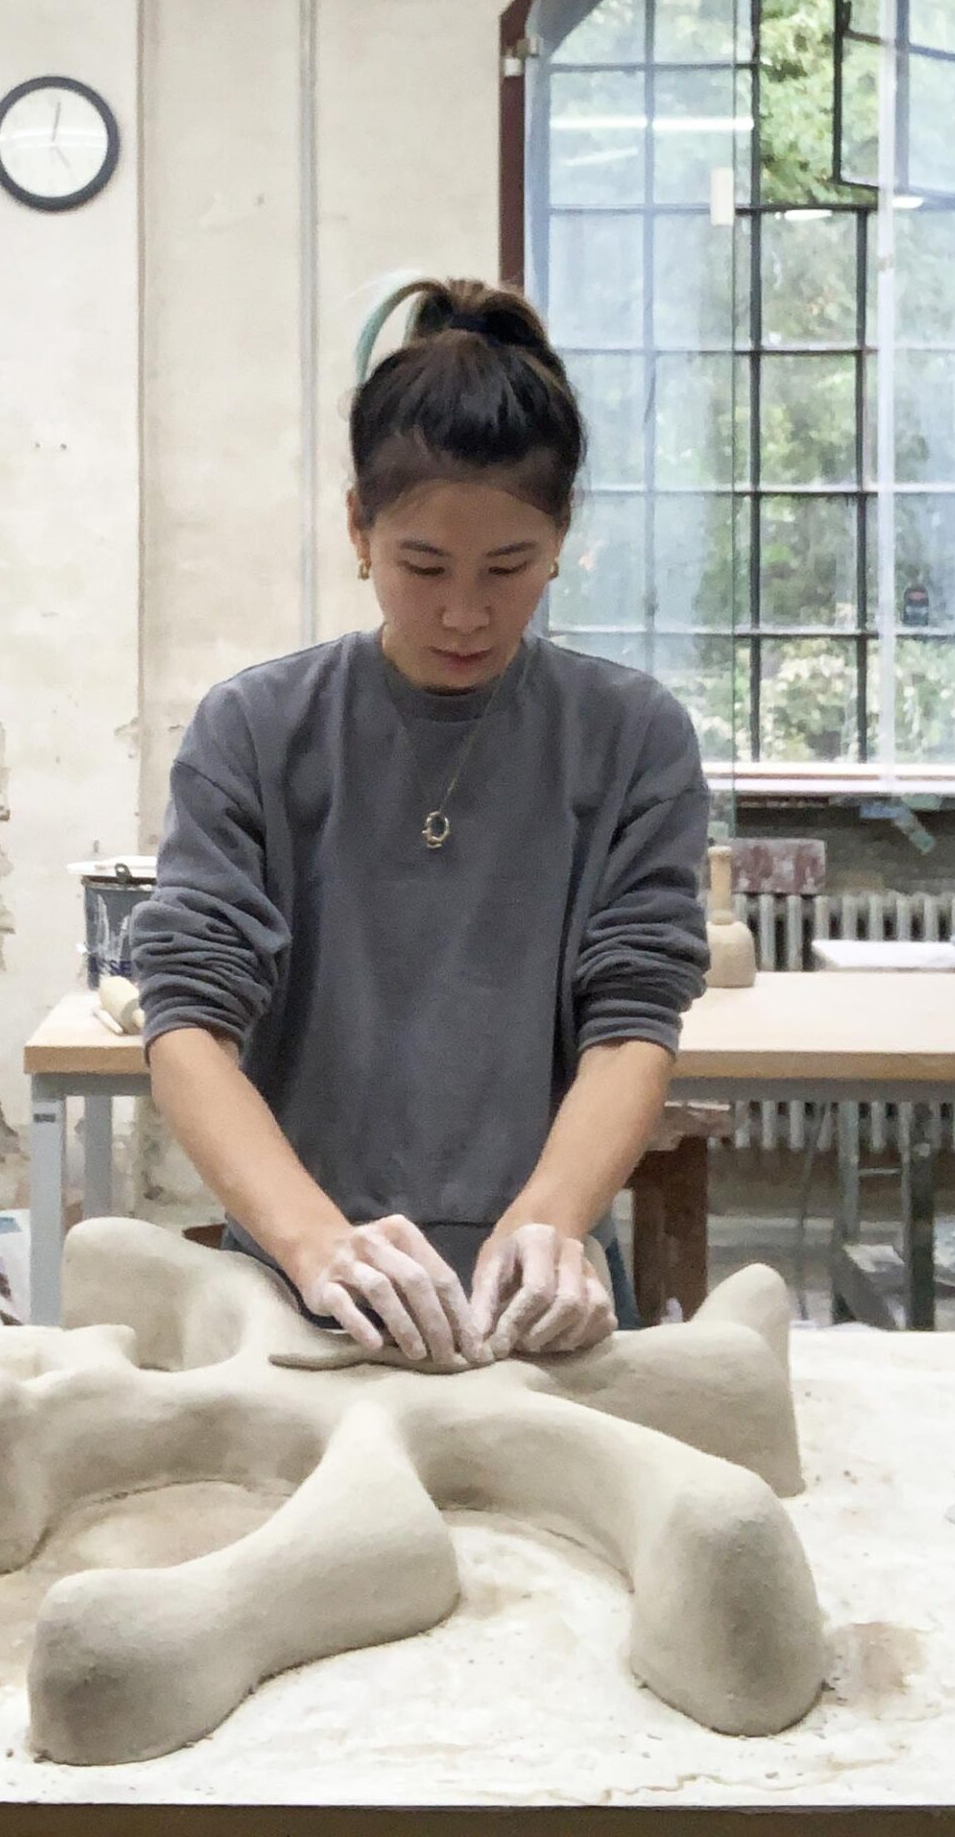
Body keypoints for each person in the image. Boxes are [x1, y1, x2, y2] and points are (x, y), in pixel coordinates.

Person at [130, 276, 710, 1371]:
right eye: (423, 565)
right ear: (360, 526)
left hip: (538, 1296)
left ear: (562, 537)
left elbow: (635, 1018)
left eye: (508, 568)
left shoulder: (630, 737)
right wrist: (318, 1246)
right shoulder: (258, 730)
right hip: (301, 1293)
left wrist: (549, 1223)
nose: (463, 612)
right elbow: (187, 1028)